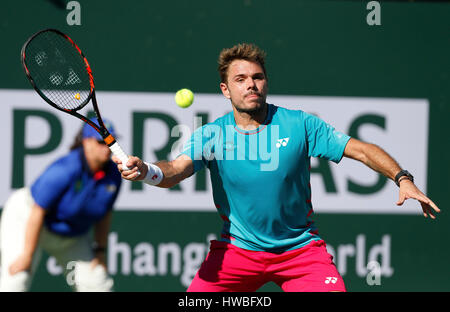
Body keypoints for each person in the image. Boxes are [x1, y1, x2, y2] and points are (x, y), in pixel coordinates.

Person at [113, 43, 440, 292]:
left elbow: (362, 150)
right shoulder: (211, 134)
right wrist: (146, 172)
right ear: (226, 90)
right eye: (240, 79)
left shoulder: (300, 124)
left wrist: (402, 178)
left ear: (266, 82)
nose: (251, 85)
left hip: (301, 253)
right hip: (237, 254)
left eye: (257, 77)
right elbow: (176, 169)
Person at [0, 119, 122, 292]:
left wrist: (100, 251)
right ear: (86, 142)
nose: (107, 147)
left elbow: (105, 213)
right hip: (27, 218)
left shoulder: (114, 174)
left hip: (71, 234)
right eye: (101, 141)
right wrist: (26, 256)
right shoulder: (66, 169)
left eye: (111, 141)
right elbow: (37, 210)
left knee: (97, 283)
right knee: (17, 279)